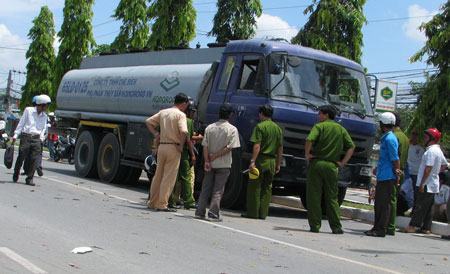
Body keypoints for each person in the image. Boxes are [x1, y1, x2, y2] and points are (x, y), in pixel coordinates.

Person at [303, 105, 354, 233]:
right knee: (332, 197)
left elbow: (309, 139)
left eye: (320, 113)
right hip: (332, 166)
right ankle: (336, 227)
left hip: (317, 164)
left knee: (314, 195)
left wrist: (307, 153)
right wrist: (343, 163)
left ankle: (315, 226)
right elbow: (351, 147)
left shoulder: (319, 126)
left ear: (326, 115)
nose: (318, 116)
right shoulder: (341, 129)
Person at [146, 93, 190, 212]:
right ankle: (162, 204)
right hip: (173, 148)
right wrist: (181, 146)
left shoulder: (163, 112)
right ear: (184, 103)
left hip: (162, 146)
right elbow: (184, 131)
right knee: (168, 177)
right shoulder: (181, 115)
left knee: (158, 175)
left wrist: (156, 134)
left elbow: (148, 122)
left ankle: (152, 202)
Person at [195, 104, 240, 221]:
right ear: (230, 115)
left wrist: (207, 160)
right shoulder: (232, 129)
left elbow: (205, 146)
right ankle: (213, 214)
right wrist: (215, 156)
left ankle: (199, 212)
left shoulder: (210, 127)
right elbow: (230, 147)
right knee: (218, 190)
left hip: (209, 163)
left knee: (205, 188)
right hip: (223, 164)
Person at [242, 104, 283, 220]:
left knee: (254, 186)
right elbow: (280, 148)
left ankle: (252, 213)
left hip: (261, 160)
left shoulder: (260, 127)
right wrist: (278, 163)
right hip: (272, 161)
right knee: (267, 188)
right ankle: (263, 213)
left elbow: (257, 146)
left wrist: (252, 161)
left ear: (261, 114)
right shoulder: (278, 128)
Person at [404, 128, 448, 234]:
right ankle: (426, 227)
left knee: (420, 205)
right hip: (433, 183)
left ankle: (412, 226)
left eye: (426, 137)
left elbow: (428, 168)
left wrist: (422, 183)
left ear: (431, 138)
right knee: (429, 207)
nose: (424, 138)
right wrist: (436, 172)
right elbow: (444, 165)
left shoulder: (431, 151)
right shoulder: (438, 150)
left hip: (426, 183)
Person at [365, 112, 400, 237]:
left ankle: (380, 229)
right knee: (379, 204)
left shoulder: (390, 139)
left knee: (383, 204)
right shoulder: (386, 138)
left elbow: (395, 159)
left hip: (388, 176)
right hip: (383, 175)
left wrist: (397, 175)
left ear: (383, 124)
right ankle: (377, 227)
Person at [12, 94, 51, 186]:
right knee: (21, 156)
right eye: (44, 105)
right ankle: (16, 172)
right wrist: (15, 135)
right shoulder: (28, 110)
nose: (45, 108)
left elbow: (43, 129)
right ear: (40, 104)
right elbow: (22, 123)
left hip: (37, 139)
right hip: (26, 137)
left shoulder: (45, 116)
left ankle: (29, 178)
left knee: (34, 159)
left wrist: (41, 138)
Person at [169, 101, 196, 209]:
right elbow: (188, 140)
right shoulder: (188, 121)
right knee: (186, 177)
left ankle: (171, 201)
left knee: (172, 176)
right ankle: (188, 201)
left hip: (171, 148)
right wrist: (193, 154)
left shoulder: (171, 118)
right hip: (183, 152)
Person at [387, 112, 409, 234]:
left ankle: (389, 224)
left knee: (389, 198)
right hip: (402, 170)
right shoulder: (405, 137)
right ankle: (391, 224)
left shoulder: (393, 136)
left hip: (393, 170)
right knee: (394, 197)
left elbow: (395, 157)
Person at [407, 131, 425, 206]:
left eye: (416, 135)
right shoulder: (408, 146)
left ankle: (414, 208)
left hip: (416, 173)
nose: (414, 137)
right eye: (413, 134)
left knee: (415, 192)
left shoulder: (421, 149)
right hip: (407, 172)